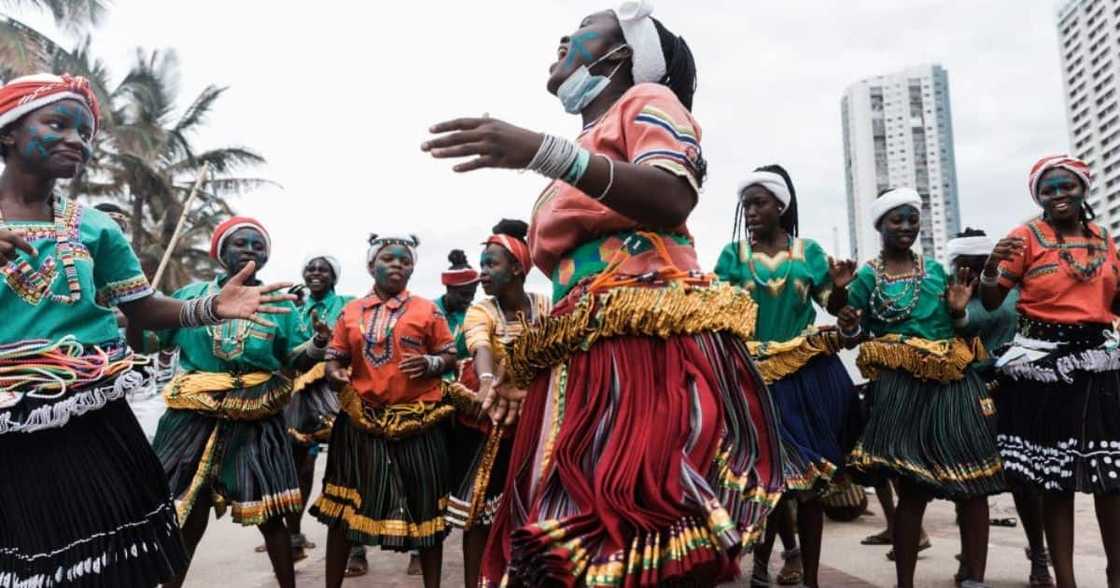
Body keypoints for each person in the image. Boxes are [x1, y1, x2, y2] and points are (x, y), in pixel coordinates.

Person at [422, 4, 784, 585]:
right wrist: (522, 371)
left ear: (625, 54)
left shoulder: (648, 100)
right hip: (589, 344)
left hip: (643, 344)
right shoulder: (589, 140)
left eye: (586, 29)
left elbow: (671, 195)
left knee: (635, 524)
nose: (565, 38)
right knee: (581, 534)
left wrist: (541, 151)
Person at [0, 73, 291, 586]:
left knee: (108, 563)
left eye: (84, 132)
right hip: (8, 421)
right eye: (57, 124)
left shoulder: (96, 228)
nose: (76, 140)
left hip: (92, 415)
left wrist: (211, 307)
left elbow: (144, 309)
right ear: (8, 133)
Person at [830, 188, 1004, 588]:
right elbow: (852, 334)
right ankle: (905, 582)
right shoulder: (867, 277)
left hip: (953, 383)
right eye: (897, 219)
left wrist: (958, 311)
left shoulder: (937, 272)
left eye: (912, 218)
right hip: (900, 388)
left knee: (974, 484)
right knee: (912, 489)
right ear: (880, 225)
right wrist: (846, 315)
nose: (906, 226)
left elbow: (962, 326)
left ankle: (975, 578)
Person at [137, 216, 312, 588]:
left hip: (257, 415)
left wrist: (321, 345)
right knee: (189, 513)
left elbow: (296, 358)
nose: (249, 250)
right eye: (240, 243)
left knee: (271, 517)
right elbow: (147, 344)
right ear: (220, 252)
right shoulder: (190, 295)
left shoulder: (279, 303)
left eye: (257, 245)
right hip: (194, 415)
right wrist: (136, 311)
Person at [714, 164, 859, 588]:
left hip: (803, 378)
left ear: (780, 206)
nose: (751, 212)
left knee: (809, 484)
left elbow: (834, 306)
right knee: (768, 481)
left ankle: (810, 577)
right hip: (751, 379)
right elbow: (717, 311)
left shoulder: (808, 252)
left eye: (759, 203)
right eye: (746, 205)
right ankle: (761, 565)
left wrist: (842, 292)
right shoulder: (732, 256)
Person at [983, 155, 1120, 588]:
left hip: (1099, 364)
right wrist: (989, 270)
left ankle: (1116, 575)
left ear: (1083, 189)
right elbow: (991, 300)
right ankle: (1066, 581)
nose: (1059, 195)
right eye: (1048, 189)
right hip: (1044, 369)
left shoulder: (1104, 238)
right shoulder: (1024, 237)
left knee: (1111, 479)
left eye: (1067, 186)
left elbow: (1114, 302)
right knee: (1055, 481)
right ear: (1038, 196)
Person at [311, 234, 457, 588]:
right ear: (370, 265)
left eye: (405, 261)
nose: (397, 265)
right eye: (388, 258)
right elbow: (334, 357)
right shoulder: (351, 312)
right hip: (361, 422)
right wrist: (335, 374)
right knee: (343, 511)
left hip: (419, 422)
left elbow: (450, 355)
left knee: (427, 512)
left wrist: (432, 363)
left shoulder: (427, 309)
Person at [443, 219, 552, 588]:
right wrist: (488, 379)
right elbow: (480, 346)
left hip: (532, 420)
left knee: (527, 512)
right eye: (482, 264)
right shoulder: (481, 310)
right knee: (477, 516)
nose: (483, 272)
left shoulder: (546, 306)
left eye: (491, 264)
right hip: (485, 419)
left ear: (518, 268)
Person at [949, 229, 1053, 586]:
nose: (973, 271)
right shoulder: (951, 294)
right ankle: (969, 558)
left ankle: (1039, 557)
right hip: (968, 393)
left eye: (980, 264)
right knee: (967, 481)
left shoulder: (1013, 288)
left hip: (1017, 390)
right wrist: (956, 311)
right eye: (965, 265)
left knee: (1024, 480)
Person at [263, 254, 353, 562]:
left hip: (335, 389)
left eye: (323, 269)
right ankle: (293, 537)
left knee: (347, 468)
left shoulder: (346, 303)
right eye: (311, 269)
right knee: (298, 467)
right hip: (297, 394)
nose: (316, 273)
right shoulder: (293, 307)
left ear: (333, 276)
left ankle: (355, 547)